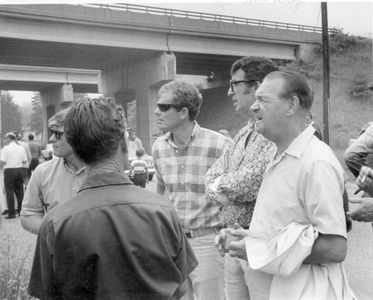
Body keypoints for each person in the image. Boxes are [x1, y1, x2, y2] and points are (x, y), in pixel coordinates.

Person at [28, 97, 198, 299]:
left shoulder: (54, 224)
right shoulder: (163, 211)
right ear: (124, 141)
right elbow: (184, 290)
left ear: (75, 147)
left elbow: (47, 294)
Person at [218, 70, 355, 299]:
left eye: (263, 100)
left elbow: (334, 247)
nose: (254, 106)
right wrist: (251, 238)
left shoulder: (315, 162)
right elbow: (286, 229)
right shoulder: (280, 154)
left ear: (292, 105)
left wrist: (257, 249)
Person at [205, 56, 278, 300]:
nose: (228, 92)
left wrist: (224, 186)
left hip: (262, 245)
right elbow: (209, 179)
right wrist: (228, 185)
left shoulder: (278, 131)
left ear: (257, 86)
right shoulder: (244, 132)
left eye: (234, 84)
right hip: (233, 244)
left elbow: (256, 181)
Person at [152, 80, 231, 300]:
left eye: (164, 106)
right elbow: (160, 192)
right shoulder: (159, 147)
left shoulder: (220, 145)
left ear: (183, 112)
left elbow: (234, 196)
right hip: (173, 243)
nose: (157, 111)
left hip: (207, 242)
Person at [21, 108, 86, 234]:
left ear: (78, 135)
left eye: (57, 133)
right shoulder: (43, 172)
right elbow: (28, 214)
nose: (51, 139)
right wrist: (53, 233)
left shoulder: (103, 171)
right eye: (51, 132)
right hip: (57, 252)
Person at [0, 132, 27, 219]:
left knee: (9, 192)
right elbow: (24, 160)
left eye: (5, 138)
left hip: (9, 170)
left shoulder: (6, 148)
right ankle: (21, 211)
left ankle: (12, 213)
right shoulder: (21, 148)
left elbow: (3, 161)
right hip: (19, 170)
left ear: (9, 138)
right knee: (20, 191)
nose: (4, 140)